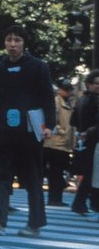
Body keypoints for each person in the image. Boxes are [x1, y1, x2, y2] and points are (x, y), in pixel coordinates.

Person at [0, 25, 54, 238]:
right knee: (0, 176)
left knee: (32, 178)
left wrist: (48, 126)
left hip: (30, 132)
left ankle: (35, 223)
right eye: (9, 40)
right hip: (4, 132)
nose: (12, 44)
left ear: (24, 43)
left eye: (17, 40)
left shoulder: (38, 67)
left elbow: (48, 97)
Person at [70, 71, 99, 216]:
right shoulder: (95, 100)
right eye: (96, 83)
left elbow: (72, 121)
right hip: (93, 139)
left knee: (90, 172)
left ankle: (85, 204)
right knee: (91, 173)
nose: (98, 86)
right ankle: (82, 204)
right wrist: (88, 132)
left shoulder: (81, 99)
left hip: (83, 139)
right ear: (89, 84)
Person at [43, 78, 75, 207]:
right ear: (60, 90)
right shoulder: (56, 101)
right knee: (56, 172)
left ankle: (56, 197)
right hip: (55, 143)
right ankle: (54, 198)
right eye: (66, 89)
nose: (68, 92)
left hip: (64, 144)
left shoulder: (68, 102)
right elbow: (50, 120)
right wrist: (62, 131)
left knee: (58, 171)